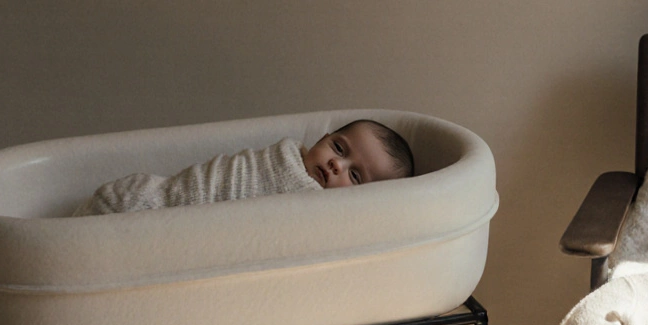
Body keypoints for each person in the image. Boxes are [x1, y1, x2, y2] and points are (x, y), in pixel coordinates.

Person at [72, 119, 414, 216]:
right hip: (160, 196)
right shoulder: (283, 157)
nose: (335, 164)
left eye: (355, 176)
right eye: (338, 147)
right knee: (137, 206)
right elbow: (223, 180)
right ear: (323, 138)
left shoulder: (319, 215)